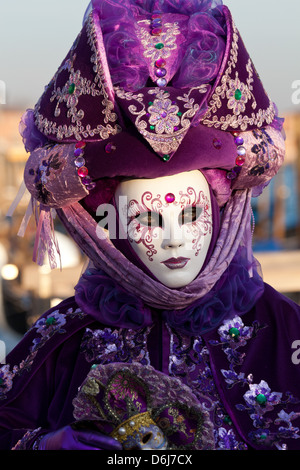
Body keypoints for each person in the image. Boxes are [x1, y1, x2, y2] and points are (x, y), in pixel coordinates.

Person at [1, 0, 300, 451]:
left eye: (191, 213)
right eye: (144, 217)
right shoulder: (62, 341)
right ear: (109, 228)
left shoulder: (282, 331)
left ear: (220, 211)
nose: (174, 237)